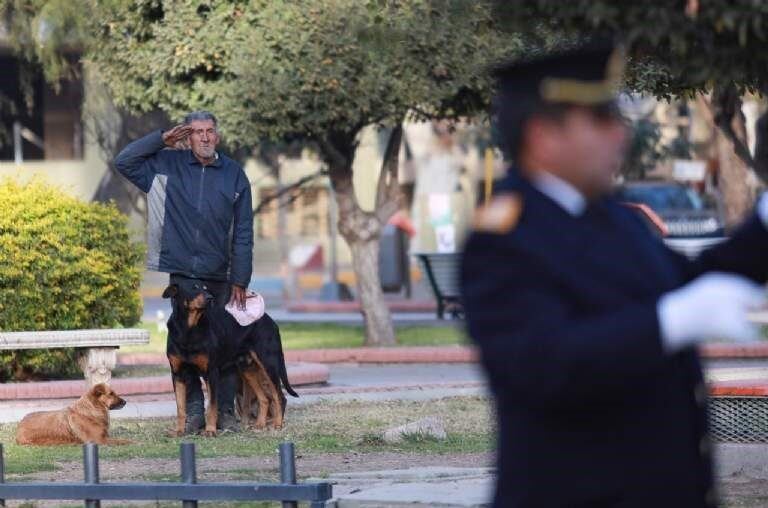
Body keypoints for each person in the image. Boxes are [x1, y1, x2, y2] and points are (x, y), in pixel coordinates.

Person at [461, 43, 768, 507]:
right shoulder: (503, 237)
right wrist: (668, 323)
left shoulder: (611, 217)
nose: (620, 135)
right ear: (544, 135)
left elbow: (691, 281)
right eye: (602, 119)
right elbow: (545, 363)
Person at [115, 111, 253, 433]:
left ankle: (226, 415)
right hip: (181, 273)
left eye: (209, 131)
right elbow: (124, 161)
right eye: (197, 132)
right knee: (185, 346)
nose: (204, 137)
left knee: (225, 348)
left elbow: (244, 230)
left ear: (216, 136)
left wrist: (240, 277)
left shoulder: (234, 174)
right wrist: (160, 139)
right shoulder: (166, 166)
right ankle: (193, 415)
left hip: (220, 275)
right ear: (187, 137)